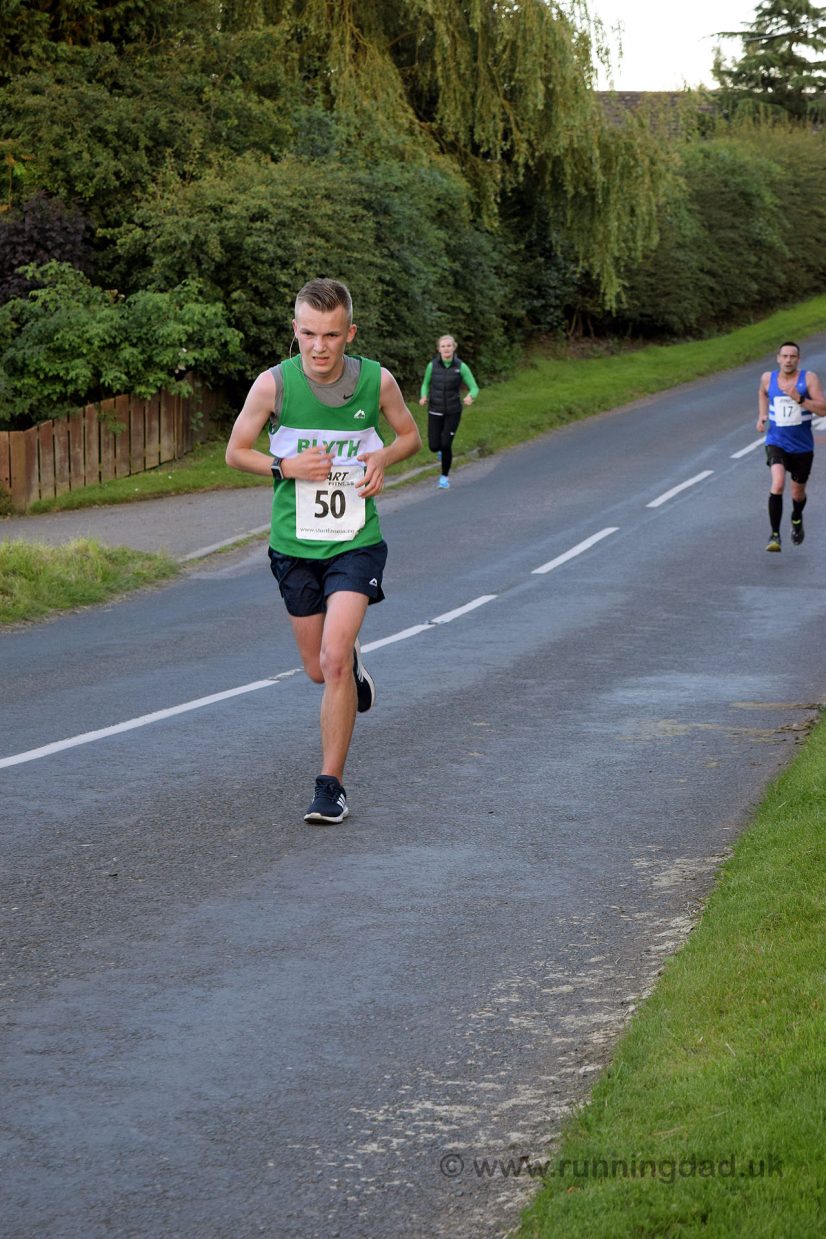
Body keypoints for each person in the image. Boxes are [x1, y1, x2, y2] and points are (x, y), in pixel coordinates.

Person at [226, 278, 421, 823]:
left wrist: (383, 459)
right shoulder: (273, 387)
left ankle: (330, 785)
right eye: (309, 333)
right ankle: (350, 669)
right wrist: (284, 466)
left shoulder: (376, 382)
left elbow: (409, 436)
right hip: (293, 546)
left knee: (332, 657)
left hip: (356, 542)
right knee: (318, 669)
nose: (319, 346)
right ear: (295, 331)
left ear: (349, 333)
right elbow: (234, 451)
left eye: (331, 335)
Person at [758, 341, 826, 552]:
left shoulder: (809, 379)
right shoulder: (768, 378)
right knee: (777, 484)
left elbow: (823, 410)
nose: (788, 360)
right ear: (778, 358)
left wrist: (800, 399)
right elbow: (762, 393)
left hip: (802, 447)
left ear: (798, 359)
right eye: (784, 356)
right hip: (776, 442)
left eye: (792, 357)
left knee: (797, 494)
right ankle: (774, 535)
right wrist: (762, 415)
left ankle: (796, 518)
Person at [418, 334, 479, 489]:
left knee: (446, 444)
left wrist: (471, 397)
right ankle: (440, 452)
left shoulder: (461, 366)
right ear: (439, 349)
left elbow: (474, 387)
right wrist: (423, 396)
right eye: (443, 346)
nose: (446, 349)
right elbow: (425, 384)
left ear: (454, 347)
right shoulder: (432, 366)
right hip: (435, 410)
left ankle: (444, 477)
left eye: (449, 346)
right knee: (434, 445)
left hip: (453, 411)